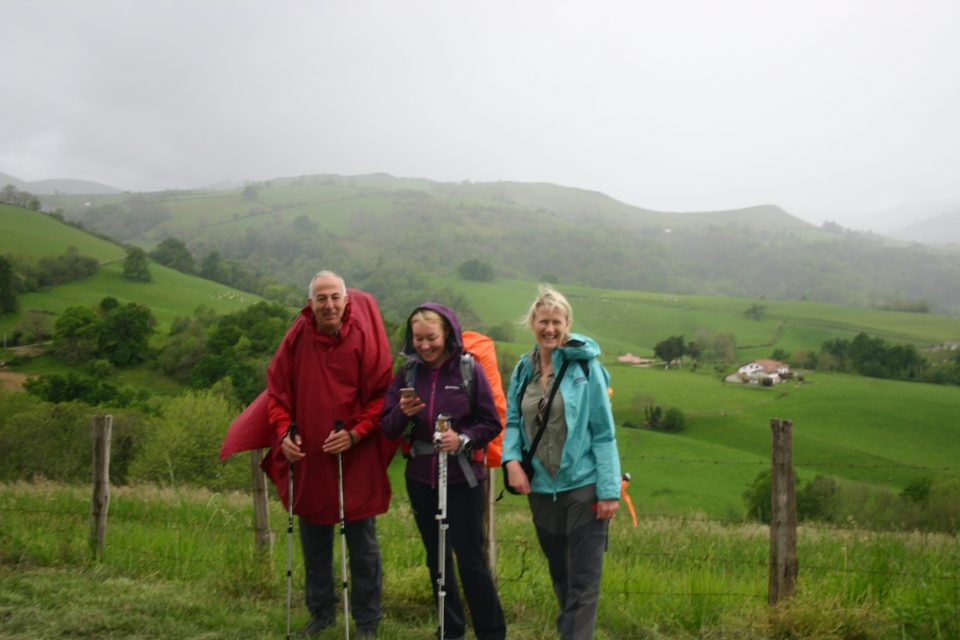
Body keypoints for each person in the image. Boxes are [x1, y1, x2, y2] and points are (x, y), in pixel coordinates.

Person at [267, 270, 394, 638]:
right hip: (308, 458)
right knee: (315, 543)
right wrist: (282, 433)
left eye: (335, 297)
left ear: (346, 299)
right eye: (321, 298)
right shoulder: (297, 337)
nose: (329, 305)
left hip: (355, 457)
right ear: (310, 303)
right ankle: (321, 615)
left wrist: (355, 434)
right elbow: (277, 394)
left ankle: (367, 621)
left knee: (363, 547)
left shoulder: (364, 338)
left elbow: (381, 395)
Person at [381, 303, 507, 640]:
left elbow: (491, 422)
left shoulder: (469, 370)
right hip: (422, 479)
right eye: (418, 339)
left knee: (470, 560)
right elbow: (388, 427)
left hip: (463, 479)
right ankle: (449, 629)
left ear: (447, 333)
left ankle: (491, 633)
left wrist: (463, 438)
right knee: (436, 559)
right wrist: (404, 413)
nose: (424, 346)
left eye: (431, 338)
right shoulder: (407, 374)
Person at [502, 286, 621, 640]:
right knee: (561, 575)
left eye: (556, 322)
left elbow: (603, 432)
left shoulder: (586, 368)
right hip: (541, 489)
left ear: (567, 323)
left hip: (583, 487)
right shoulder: (523, 369)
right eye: (543, 321)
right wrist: (511, 461)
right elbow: (511, 421)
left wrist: (609, 490)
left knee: (584, 582)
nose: (549, 329)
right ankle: (569, 630)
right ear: (532, 324)